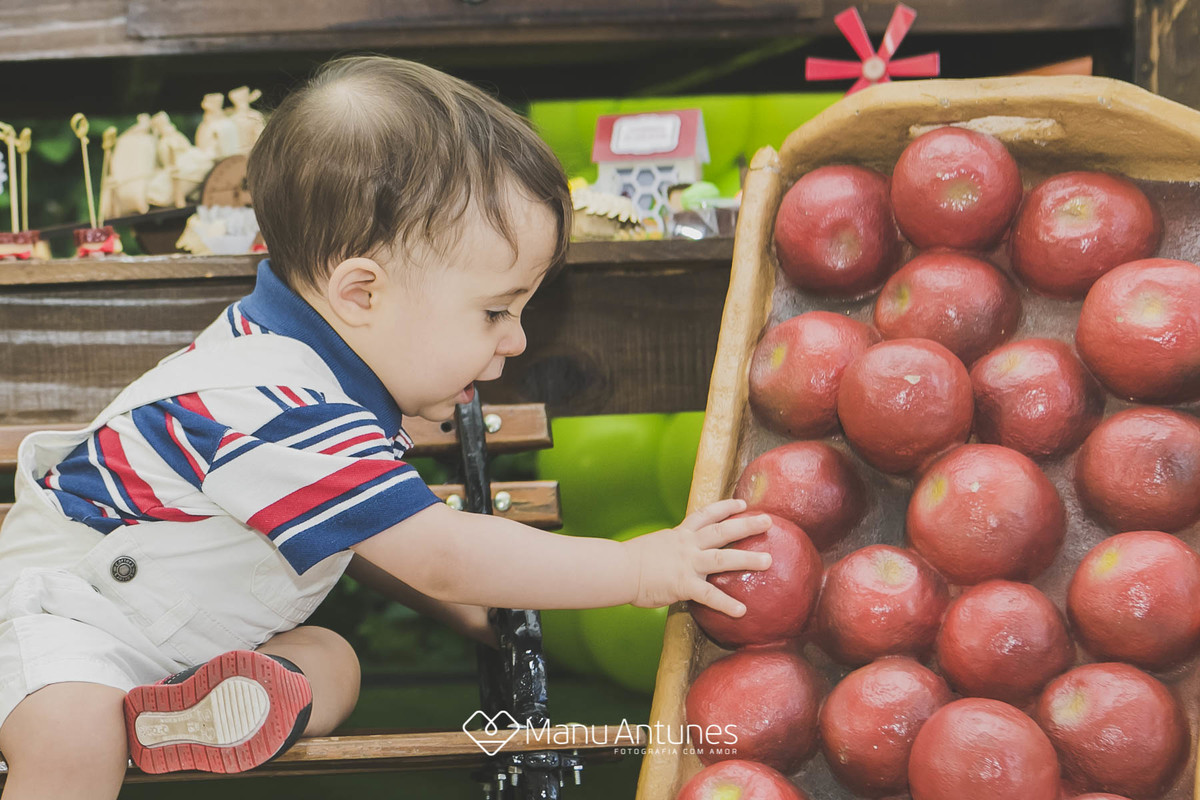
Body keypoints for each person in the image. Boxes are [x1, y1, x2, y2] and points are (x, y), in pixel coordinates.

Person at [0, 56, 771, 799]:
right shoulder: (272, 402)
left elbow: (353, 534)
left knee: (331, 662)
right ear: (361, 293)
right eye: (496, 311)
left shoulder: (317, 380)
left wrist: (466, 609)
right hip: (62, 622)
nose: (517, 340)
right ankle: (127, 722)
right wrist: (641, 570)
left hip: (182, 655)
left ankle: (183, 721)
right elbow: (435, 553)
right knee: (73, 732)